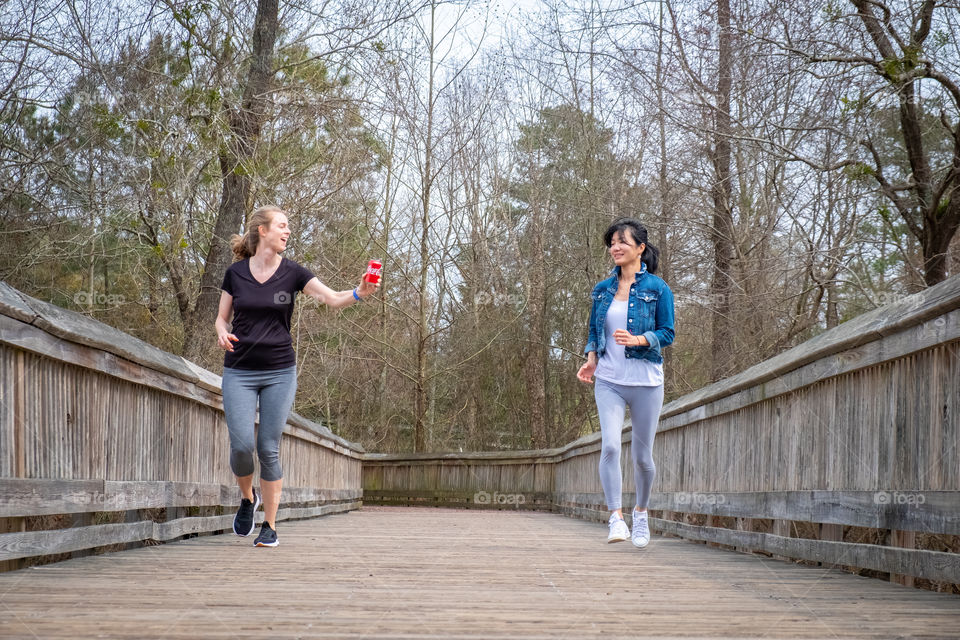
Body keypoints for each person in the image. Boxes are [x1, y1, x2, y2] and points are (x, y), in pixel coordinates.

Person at [215, 205, 379, 548]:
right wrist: (220, 331)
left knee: (268, 448)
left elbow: (331, 299)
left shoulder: (293, 273)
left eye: (288, 227)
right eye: (282, 226)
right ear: (263, 230)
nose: (288, 232)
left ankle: (270, 526)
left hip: (279, 370)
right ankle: (248, 499)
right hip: (239, 371)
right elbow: (221, 318)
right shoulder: (236, 273)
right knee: (242, 447)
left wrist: (358, 293)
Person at [576, 218, 675, 548]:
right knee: (611, 446)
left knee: (643, 458)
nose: (615, 247)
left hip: (647, 381)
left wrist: (639, 340)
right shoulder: (602, 290)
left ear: (640, 249)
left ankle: (642, 514)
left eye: (622, 242)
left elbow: (668, 333)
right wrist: (591, 358)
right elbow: (594, 331)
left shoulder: (658, 289)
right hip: (609, 381)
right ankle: (616, 518)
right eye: (612, 243)